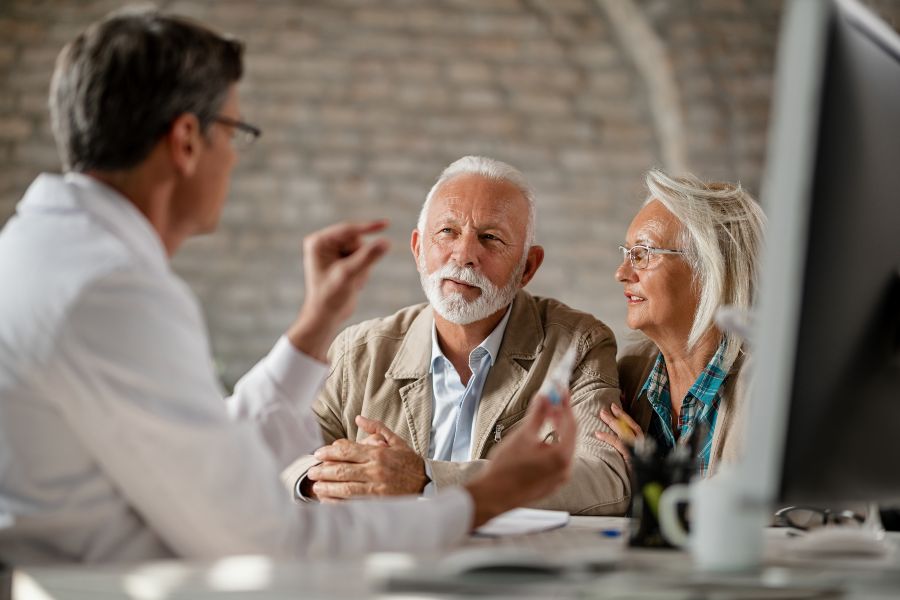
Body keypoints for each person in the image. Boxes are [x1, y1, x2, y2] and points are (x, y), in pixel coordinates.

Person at [0, 9, 578, 565]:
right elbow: (265, 534)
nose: (233, 156)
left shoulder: (38, 251)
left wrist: (311, 329)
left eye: (490, 239)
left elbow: (211, 456)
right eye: (235, 130)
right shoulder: (114, 291)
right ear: (186, 141)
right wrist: (481, 497)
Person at [283, 156, 630, 516]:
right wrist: (318, 481)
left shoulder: (578, 346)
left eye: (491, 238)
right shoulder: (358, 351)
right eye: (447, 232)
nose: (464, 255)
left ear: (527, 267)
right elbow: (279, 457)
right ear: (418, 249)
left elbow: (604, 479)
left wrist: (427, 478)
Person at [595, 170, 765, 476]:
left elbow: (780, 512)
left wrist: (653, 479)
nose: (621, 273)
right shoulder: (630, 373)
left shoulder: (767, 385)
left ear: (710, 270)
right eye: (627, 253)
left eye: (642, 254)